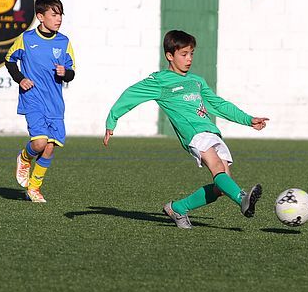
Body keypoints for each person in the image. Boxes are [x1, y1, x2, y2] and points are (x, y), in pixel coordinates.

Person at [103, 29, 268, 228]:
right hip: (194, 134)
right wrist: (112, 120)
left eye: (191, 54)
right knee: (217, 167)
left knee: (221, 188)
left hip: (211, 132)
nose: (189, 59)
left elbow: (218, 104)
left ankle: (178, 208)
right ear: (169, 56)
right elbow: (131, 94)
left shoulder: (197, 81)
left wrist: (248, 120)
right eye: (184, 54)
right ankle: (242, 198)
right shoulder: (160, 81)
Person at [6, 0, 75, 203]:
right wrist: (20, 79)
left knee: (50, 147)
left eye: (60, 14)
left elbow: (71, 72)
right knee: (39, 143)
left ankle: (34, 188)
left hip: (55, 103)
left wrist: (65, 72)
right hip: (33, 98)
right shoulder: (26, 39)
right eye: (54, 14)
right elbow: (9, 60)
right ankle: (25, 157)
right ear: (40, 17)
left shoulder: (64, 42)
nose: (59, 19)